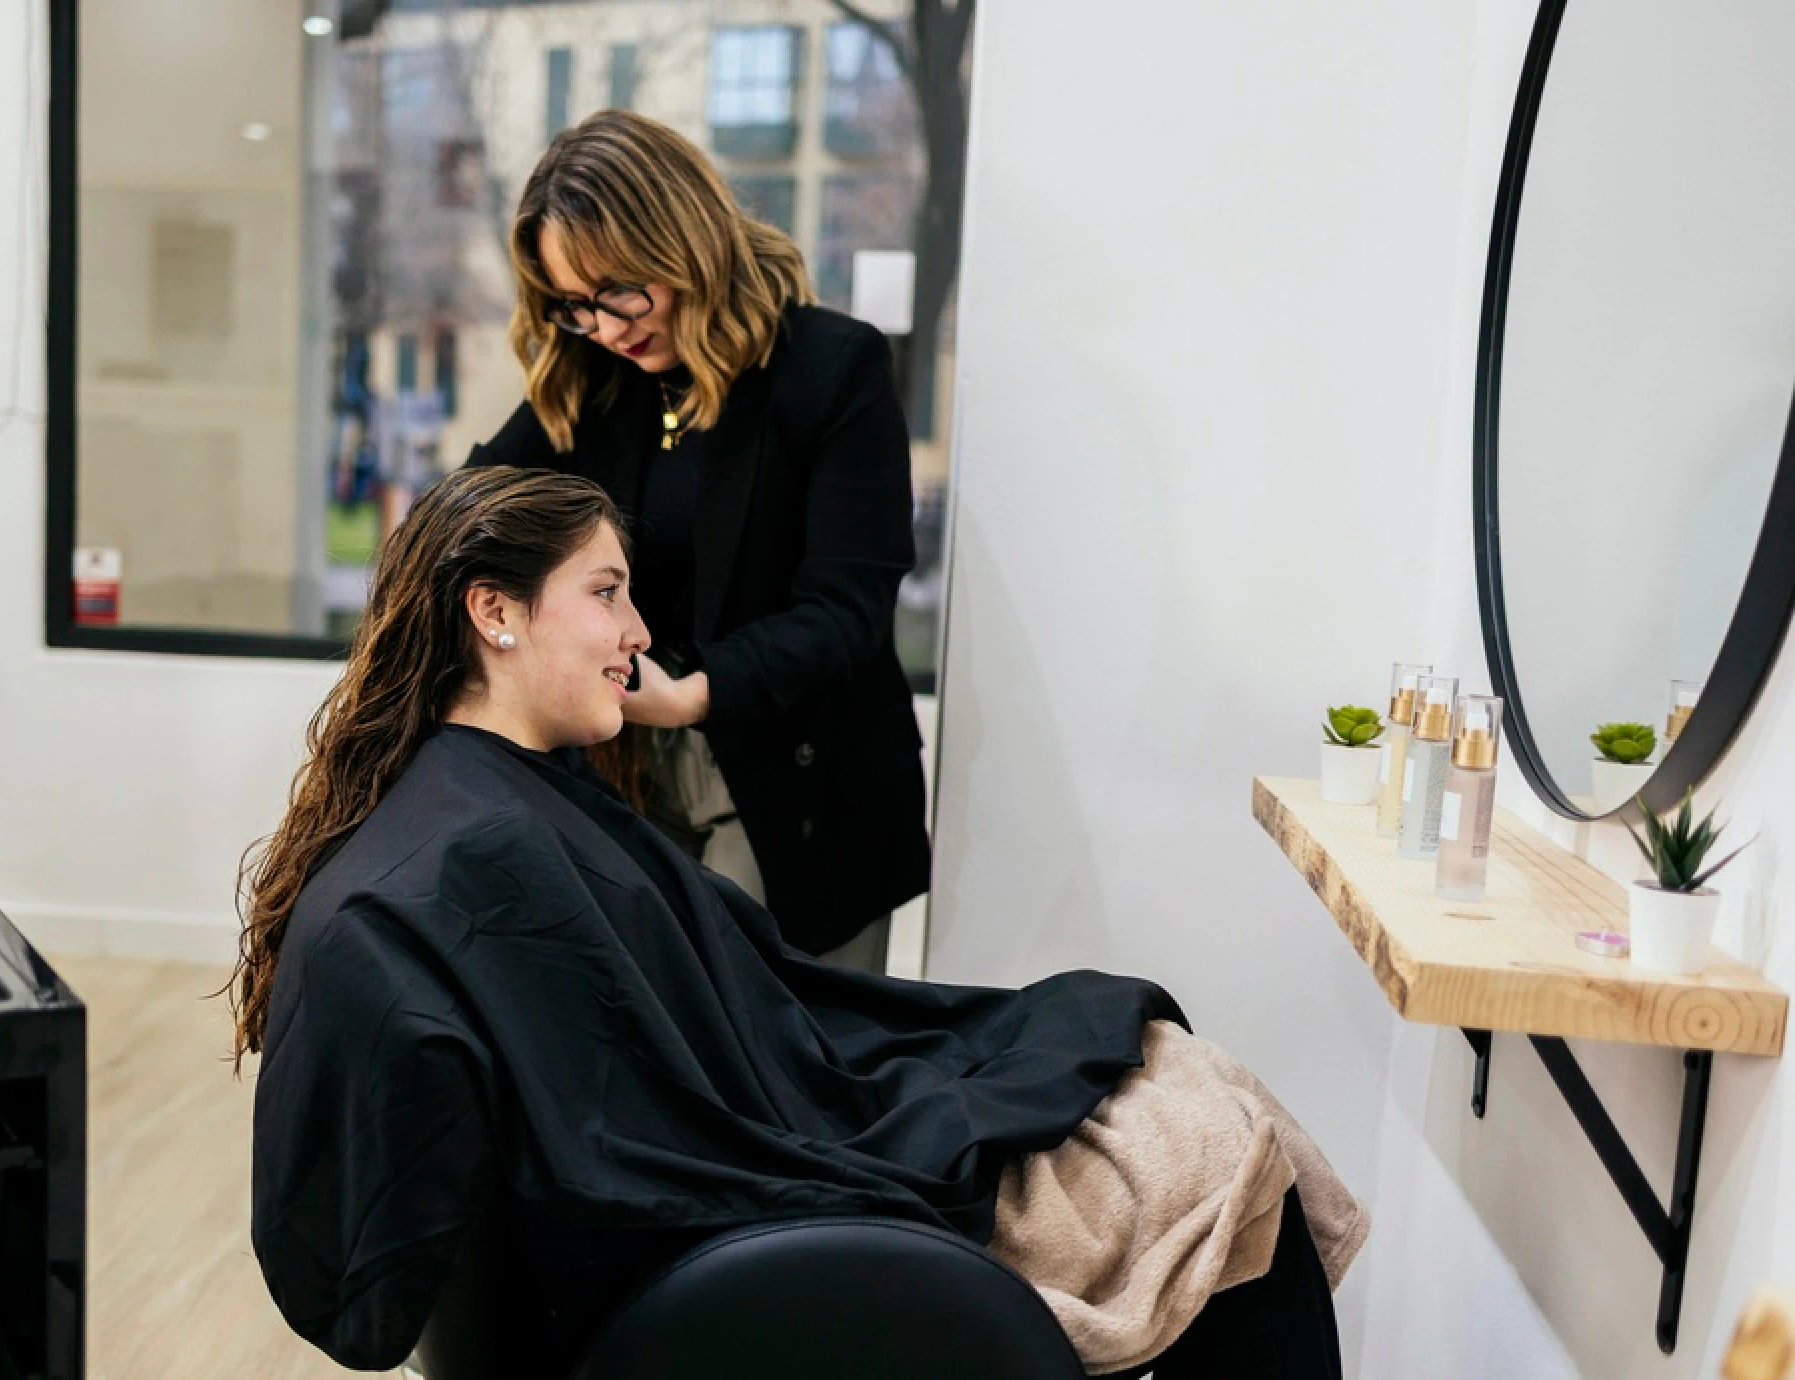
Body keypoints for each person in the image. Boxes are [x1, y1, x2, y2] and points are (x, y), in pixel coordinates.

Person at [235, 467, 1362, 1380]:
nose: (637, 630)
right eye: (606, 591)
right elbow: (636, 1130)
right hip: (734, 1218)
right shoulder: (477, 850)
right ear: (494, 611)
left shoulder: (479, 807)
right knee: (1222, 1163)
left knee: (1193, 1096)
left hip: (794, 1118)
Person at [464, 110, 926, 971]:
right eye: (574, 305)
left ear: (683, 242)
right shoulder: (597, 380)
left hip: (796, 785)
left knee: (790, 1066)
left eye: (620, 290)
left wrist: (688, 695)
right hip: (627, 767)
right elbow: (466, 513)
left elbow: (845, 616)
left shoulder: (832, 369)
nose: (603, 326)